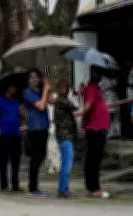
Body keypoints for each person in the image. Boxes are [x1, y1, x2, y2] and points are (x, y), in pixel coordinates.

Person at [83, 67, 111, 198]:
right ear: (92, 73)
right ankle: (94, 188)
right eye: (96, 73)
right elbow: (88, 106)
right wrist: (84, 118)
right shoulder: (92, 87)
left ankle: (93, 187)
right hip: (95, 128)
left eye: (100, 73)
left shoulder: (94, 87)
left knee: (94, 158)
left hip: (97, 127)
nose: (99, 75)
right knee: (94, 159)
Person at [23, 69, 50, 198]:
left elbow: (49, 101)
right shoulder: (28, 92)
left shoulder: (39, 91)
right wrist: (45, 90)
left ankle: (34, 186)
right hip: (35, 129)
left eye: (35, 77)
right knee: (35, 158)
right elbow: (41, 106)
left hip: (43, 128)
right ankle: (32, 188)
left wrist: (47, 87)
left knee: (40, 157)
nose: (33, 79)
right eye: (30, 77)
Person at [0, 83, 23, 192]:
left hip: (16, 133)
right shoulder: (0, 100)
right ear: (8, 88)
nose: (14, 89)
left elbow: (19, 115)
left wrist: (20, 114)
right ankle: (3, 185)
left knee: (16, 160)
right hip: (4, 133)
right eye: (12, 87)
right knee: (3, 160)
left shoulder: (15, 101)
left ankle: (15, 184)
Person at [54, 80, 79, 199]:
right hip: (65, 135)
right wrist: (79, 95)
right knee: (66, 164)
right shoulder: (61, 100)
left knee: (67, 162)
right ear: (58, 89)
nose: (66, 90)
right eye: (63, 88)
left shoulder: (62, 100)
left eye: (67, 88)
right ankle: (63, 189)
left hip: (67, 135)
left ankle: (64, 188)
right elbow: (75, 107)